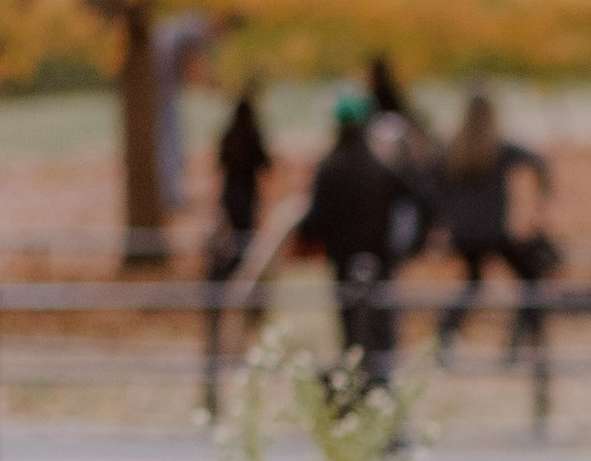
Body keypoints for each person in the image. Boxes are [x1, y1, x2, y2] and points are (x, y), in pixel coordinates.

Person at [295, 89, 426, 397]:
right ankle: (379, 386)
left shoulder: (330, 167)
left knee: (351, 327)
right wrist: (408, 244)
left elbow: (316, 219)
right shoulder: (379, 167)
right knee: (381, 325)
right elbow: (419, 199)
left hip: (344, 259)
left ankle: (356, 386)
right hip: (381, 258)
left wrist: (304, 234)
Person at [436, 92, 556, 364]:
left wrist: (443, 218)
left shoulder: (454, 148)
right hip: (494, 232)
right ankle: (519, 347)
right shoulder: (499, 147)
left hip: (464, 234)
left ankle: (444, 337)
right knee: (531, 281)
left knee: (473, 284)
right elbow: (539, 163)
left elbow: (431, 183)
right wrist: (541, 202)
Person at [201, 90, 272, 412]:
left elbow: (219, 165)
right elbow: (265, 164)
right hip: (248, 199)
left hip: (232, 198)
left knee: (234, 249)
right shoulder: (253, 133)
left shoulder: (229, 133)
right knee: (245, 249)